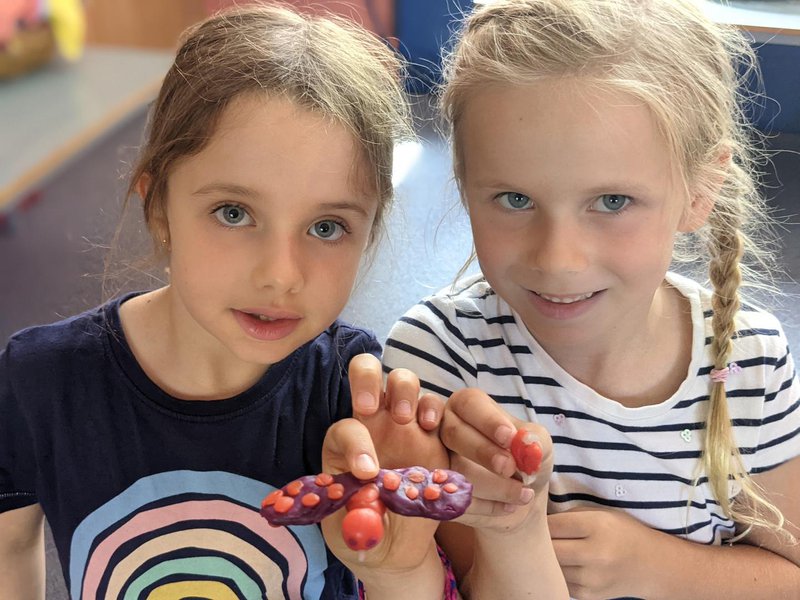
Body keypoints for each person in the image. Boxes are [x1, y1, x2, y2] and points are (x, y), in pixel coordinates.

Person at [0, 5, 452, 599]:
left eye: (326, 227)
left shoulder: (350, 390)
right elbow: (8, 550)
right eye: (234, 213)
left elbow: (398, 571)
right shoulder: (39, 383)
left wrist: (399, 565)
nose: (281, 275)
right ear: (159, 209)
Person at [382, 0, 800, 598]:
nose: (558, 260)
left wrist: (660, 568)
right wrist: (515, 528)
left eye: (611, 202)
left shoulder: (749, 361)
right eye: (515, 199)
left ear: (699, 190)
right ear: (465, 183)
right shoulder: (441, 357)